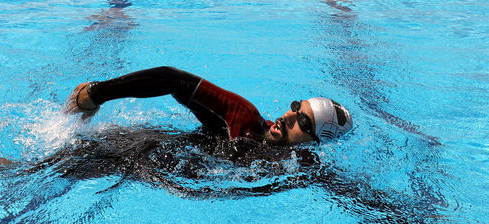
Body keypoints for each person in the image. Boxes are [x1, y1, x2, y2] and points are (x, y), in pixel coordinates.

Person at [67, 66, 353, 146]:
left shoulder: (300, 168)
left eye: (303, 122)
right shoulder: (244, 119)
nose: (288, 117)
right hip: (131, 154)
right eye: (295, 107)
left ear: (315, 142)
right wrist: (98, 93)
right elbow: (172, 79)